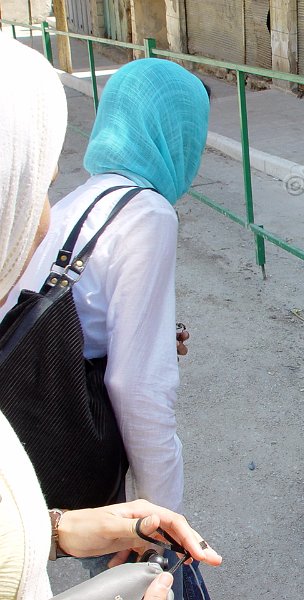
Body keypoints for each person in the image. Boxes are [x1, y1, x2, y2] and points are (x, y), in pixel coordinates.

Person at [0, 36, 221, 600]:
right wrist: (162, 516)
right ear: (176, 136)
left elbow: (66, 318)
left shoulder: (81, 198)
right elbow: (141, 386)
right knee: (153, 580)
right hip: (74, 443)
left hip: (30, 431)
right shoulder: (148, 213)